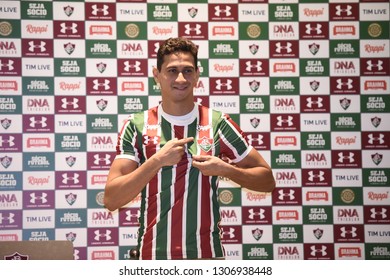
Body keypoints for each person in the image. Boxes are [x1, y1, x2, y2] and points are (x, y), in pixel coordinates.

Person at [104, 37, 275, 260]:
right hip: (153, 256)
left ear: (197, 75)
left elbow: (267, 181)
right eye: (172, 70)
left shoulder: (218, 123)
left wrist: (226, 169)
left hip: (206, 256)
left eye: (188, 70)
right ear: (157, 75)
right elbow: (112, 199)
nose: (181, 78)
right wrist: (156, 161)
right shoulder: (136, 125)